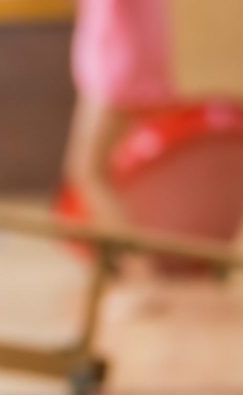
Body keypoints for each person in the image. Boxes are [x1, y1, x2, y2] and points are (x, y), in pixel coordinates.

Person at [62, 0, 175, 226]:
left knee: (88, 172)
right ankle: (124, 252)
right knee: (120, 174)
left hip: (115, 74)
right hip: (132, 67)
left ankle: (138, 258)